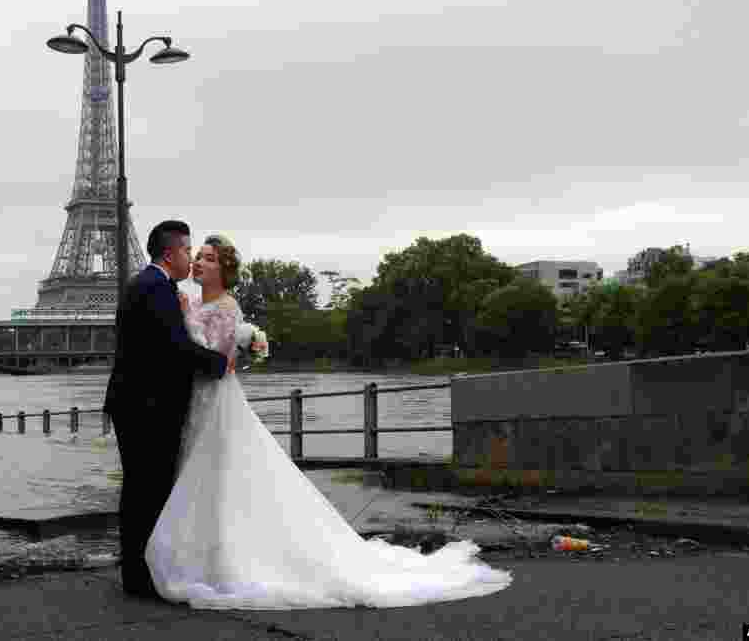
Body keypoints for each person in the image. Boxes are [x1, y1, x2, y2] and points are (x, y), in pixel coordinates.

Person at [145, 234, 512, 609]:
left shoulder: (225, 305)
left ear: (223, 270)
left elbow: (213, 356)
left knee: (220, 474)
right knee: (205, 474)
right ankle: (208, 554)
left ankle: (224, 559)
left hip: (216, 396)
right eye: (198, 257)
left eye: (207, 258)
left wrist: (189, 317)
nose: (199, 263)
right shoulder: (194, 301)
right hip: (198, 398)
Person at [103, 220, 234, 599]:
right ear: (169, 253)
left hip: (138, 403)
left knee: (141, 490)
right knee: (148, 490)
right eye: (187, 250)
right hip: (148, 407)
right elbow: (174, 346)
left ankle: (139, 572)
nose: (189, 257)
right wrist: (216, 363)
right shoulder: (155, 288)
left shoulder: (148, 286)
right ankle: (141, 575)